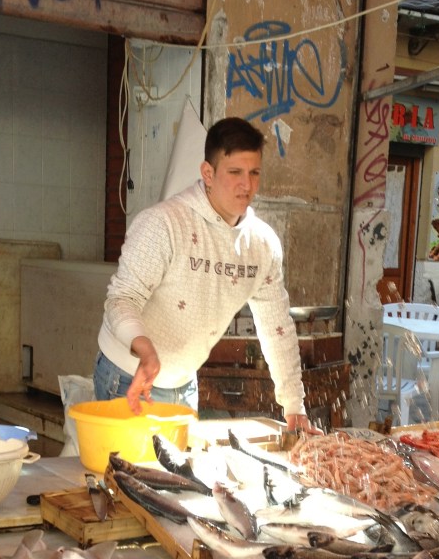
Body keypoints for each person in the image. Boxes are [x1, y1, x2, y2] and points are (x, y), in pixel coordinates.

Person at [94, 116, 318, 432]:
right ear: (208, 173)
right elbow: (121, 300)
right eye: (235, 172)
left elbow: (276, 327)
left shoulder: (262, 244)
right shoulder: (163, 224)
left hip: (185, 383)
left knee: (180, 466)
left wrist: (294, 406)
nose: (247, 185)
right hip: (128, 377)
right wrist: (143, 346)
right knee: (127, 465)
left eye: (254, 173)